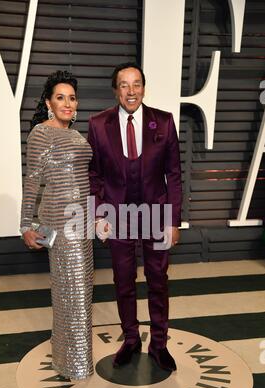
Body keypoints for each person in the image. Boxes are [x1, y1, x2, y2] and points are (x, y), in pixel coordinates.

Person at [88, 63, 182, 371]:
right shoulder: (99, 124)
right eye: (124, 85)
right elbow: (94, 175)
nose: (131, 91)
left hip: (155, 212)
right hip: (117, 216)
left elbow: (174, 175)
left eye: (137, 84)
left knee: (158, 280)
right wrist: (98, 213)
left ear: (144, 87)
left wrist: (173, 220)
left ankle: (159, 344)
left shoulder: (164, 122)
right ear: (115, 90)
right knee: (123, 281)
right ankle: (131, 339)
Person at [20, 70, 94, 380]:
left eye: (72, 98)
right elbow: (33, 179)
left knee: (78, 293)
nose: (67, 103)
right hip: (61, 222)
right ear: (49, 102)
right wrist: (26, 223)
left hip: (83, 221)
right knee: (72, 294)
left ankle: (66, 358)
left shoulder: (77, 134)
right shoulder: (41, 133)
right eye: (60, 97)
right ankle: (75, 365)